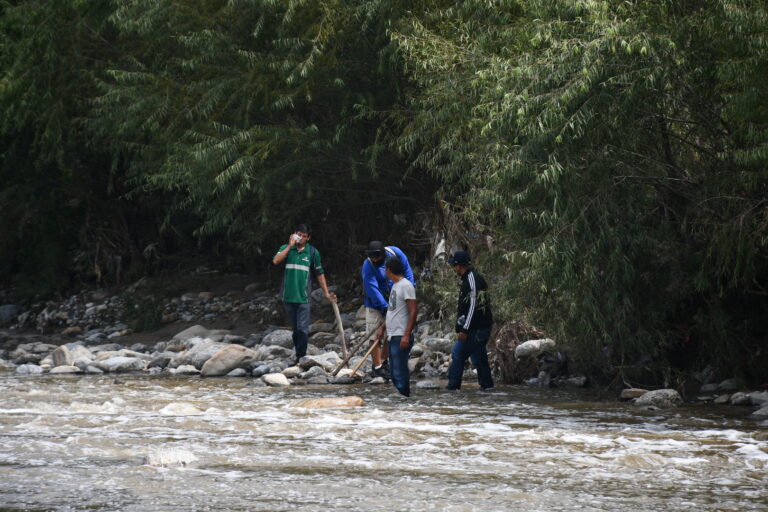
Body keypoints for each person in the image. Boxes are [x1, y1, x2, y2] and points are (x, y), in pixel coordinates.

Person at [273, 223, 336, 362]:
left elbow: (320, 273)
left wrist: (326, 293)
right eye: (299, 235)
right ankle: (299, 354)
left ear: (308, 238)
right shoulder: (286, 248)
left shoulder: (313, 253)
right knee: (295, 330)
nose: (300, 238)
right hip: (288, 297)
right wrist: (290, 246)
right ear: (294, 234)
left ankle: (300, 357)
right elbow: (276, 260)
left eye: (304, 236)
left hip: (304, 298)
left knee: (302, 329)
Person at [361, 241, 415, 379]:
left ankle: (384, 362)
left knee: (392, 333)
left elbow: (407, 272)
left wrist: (409, 291)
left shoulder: (395, 253)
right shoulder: (368, 265)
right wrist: (385, 308)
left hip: (396, 299)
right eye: (372, 257)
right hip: (375, 303)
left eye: (377, 258)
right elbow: (372, 288)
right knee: (375, 334)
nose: (374, 260)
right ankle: (377, 367)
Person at [446, 250, 494, 390]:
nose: (453, 269)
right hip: (478, 328)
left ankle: (453, 388)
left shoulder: (472, 279)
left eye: (454, 266)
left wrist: (465, 329)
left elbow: (473, 306)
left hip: (476, 329)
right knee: (479, 357)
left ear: (459, 266)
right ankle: (487, 387)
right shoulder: (469, 279)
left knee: (458, 353)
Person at [375, 256, 417, 397]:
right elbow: (393, 311)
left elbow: (413, 311)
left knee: (399, 371)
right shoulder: (395, 285)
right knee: (394, 371)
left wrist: (406, 335)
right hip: (393, 334)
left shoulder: (406, 286)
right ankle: (402, 397)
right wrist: (382, 328)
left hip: (401, 335)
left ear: (389, 270)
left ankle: (405, 397)